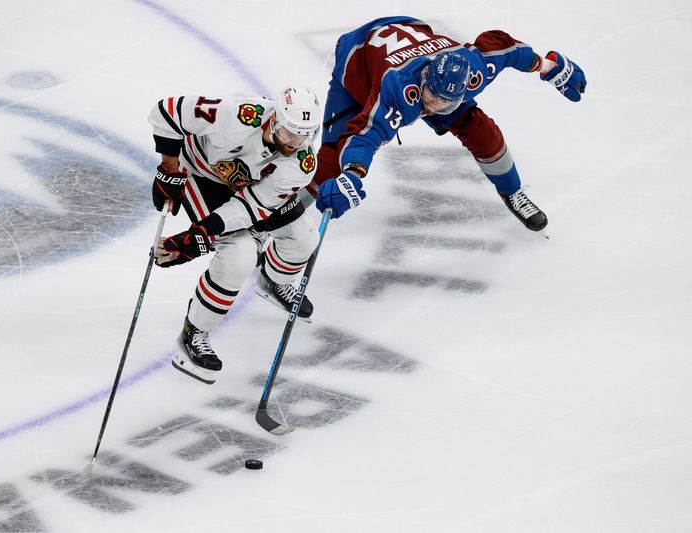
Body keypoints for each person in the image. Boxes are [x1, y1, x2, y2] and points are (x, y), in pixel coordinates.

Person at [307, 16, 587, 230]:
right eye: (432, 97)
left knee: (481, 131)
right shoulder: (398, 88)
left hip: (413, 31)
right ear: (425, 76)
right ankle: (281, 212)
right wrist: (353, 174)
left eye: (448, 102)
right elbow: (366, 135)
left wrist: (547, 66)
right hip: (359, 62)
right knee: (332, 161)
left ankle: (512, 192)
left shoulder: (473, 70)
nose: (436, 107)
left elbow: (506, 50)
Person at [148, 87, 322, 384]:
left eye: (304, 135)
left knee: (305, 237)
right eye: (290, 132)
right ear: (274, 120)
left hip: (248, 192)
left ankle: (273, 281)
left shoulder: (302, 162)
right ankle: (194, 333)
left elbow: (252, 206)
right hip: (201, 175)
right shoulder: (237, 114)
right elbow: (167, 112)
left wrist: (201, 233)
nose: (295, 143)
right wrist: (169, 167)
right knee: (239, 257)